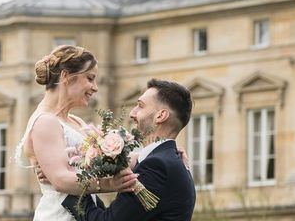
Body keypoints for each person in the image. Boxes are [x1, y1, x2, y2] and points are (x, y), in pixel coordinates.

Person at [14, 45, 136, 221]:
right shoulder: (45, 122)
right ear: (66, 76)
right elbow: (60, 180)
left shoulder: (75, 121)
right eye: (90, 78)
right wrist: (110, 184)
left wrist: (163, 153)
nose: (95, 88)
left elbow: (109, 160)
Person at [61, 78, 196, 221]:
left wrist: (66, 188)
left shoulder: (157, 166)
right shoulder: (169, 161)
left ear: (160, 116)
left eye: (140, 106)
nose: (132, 113)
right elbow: (120, 215)